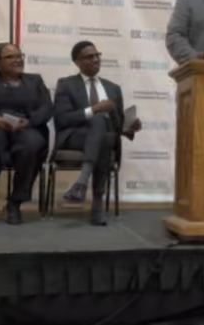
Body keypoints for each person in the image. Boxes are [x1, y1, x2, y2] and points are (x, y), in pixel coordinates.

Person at [53, 41, 142, 226]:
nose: (95, 59)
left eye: (97, 55)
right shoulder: (66, 84)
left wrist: (130, 126)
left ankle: (80, 185)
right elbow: (62, 119)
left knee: (105, 136)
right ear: (77, 62)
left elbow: (117, 125)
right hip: (76, 137)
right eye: (89, 57)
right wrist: (94, 109)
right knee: (100, 120)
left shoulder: (113, 88)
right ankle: (97, 204)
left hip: (104, 139)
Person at [0, 43, 53, 225]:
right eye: (10, 57)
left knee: (32, 145)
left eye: (19, 55)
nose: (17, 60)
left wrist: (29, 121)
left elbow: (46, 107)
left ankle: (14, 202)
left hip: (27, 126)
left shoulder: (35, 80)